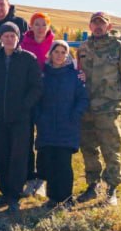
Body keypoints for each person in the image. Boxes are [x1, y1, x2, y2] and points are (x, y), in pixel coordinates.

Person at [0, 22, 43, 212]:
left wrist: (24, 107)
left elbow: (36, 87)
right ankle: (4, 191)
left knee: (18, 156)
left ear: (18, 38)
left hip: (21, 119)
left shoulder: (28, 59)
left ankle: (15, 195)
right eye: (6, 36)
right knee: (2, 154)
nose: (9, 39)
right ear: (1, 38)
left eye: (12, 36)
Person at [76, 12, 121, 206]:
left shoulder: (119, 47)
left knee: (110, 147)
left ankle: (112, 189)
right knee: (88, 148)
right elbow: (78, 73)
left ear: (109, 26)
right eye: (95, 23)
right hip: (86, 106)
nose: (98, 26)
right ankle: (92, 185)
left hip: (108, 107)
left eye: (102, 23)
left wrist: (117, 100)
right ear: (90, 26)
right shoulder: (84, 48)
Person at [35, 41, 89, 209]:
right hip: (47, 126)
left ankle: (66, 199)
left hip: (67, 126)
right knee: (50, 162)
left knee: (64, 163)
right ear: (50, 54)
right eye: (56, 51)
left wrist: (75, 115)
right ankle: (53, 197)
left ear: (67, 56)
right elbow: (36, 99)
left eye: (63, 52)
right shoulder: (43, 75)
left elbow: (83, 98)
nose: (59, 55)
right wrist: (39, 118)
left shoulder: (74, 76)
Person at [20, 12, 55, 196]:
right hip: (27, 98)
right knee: (26, 138)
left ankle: (42, 178)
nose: (40, 28)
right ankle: (28, 177)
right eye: (37, 24)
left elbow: (68, 65)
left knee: (44, 138)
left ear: (48, 26)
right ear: (31, 26)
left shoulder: (55, 45)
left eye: (44, 24)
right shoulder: (22, 44)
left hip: (48, 99)